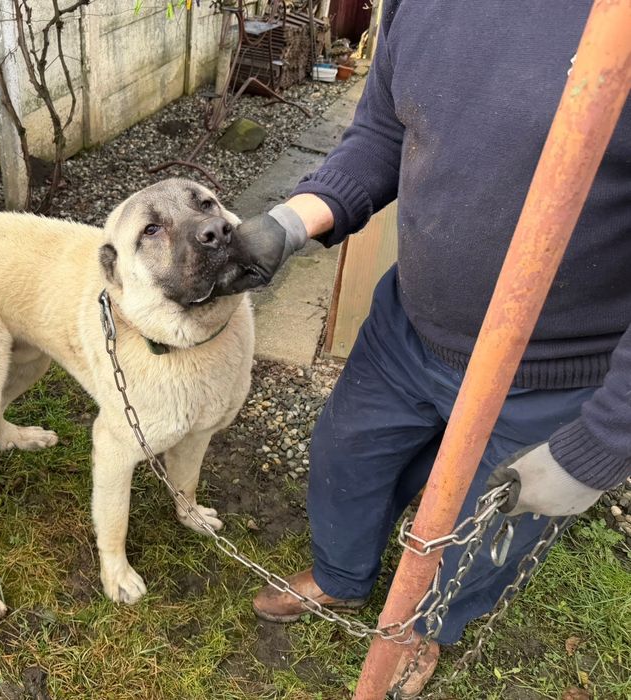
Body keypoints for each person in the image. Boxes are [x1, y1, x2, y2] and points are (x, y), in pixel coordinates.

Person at [233, 1, 631, 695]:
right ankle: (340, 576)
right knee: (345, 456)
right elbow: (385, 132)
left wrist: (601, 442)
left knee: (483, 538)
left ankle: (424, 627)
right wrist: (290, 224)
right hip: (408, 325)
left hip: (553, 373)